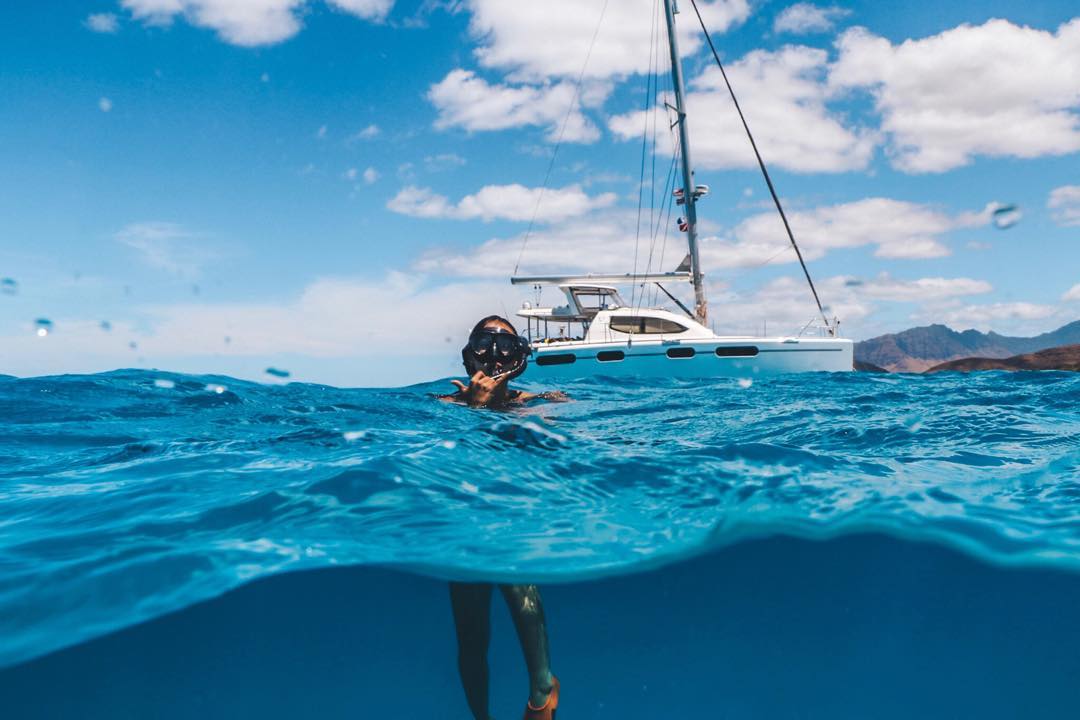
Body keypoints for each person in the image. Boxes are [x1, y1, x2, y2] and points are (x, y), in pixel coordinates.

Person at [441, 315, 563, 719]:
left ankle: (542, 695)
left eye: (506, 346)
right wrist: (474, 411)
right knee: (471, 637)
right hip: (465, 526)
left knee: (522, 598)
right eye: (483, 345)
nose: (494, 356)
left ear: (520, 357)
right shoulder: (447, 406)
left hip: (512, 517)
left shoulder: (536, 402)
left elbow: (556, 442)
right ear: (467, 358)